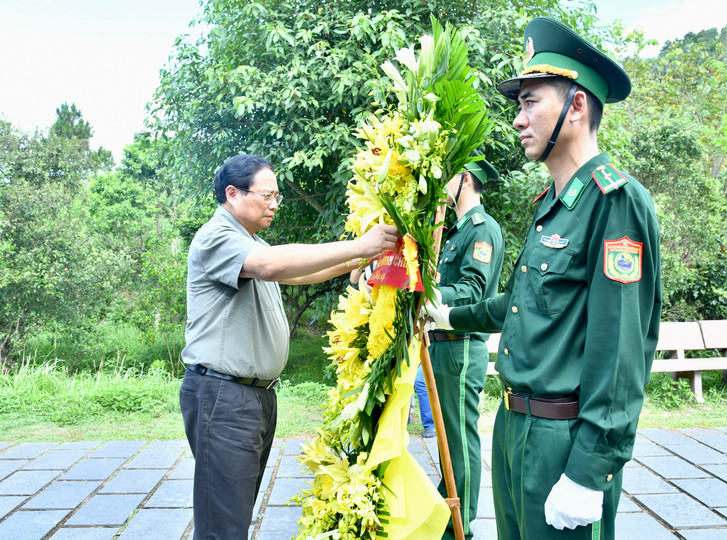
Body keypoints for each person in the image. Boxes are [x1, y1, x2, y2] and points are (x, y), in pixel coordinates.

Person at [428, 17, 662, 540]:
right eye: (519, 104)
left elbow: (622, 347)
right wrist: (447, 313)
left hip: (565, 438)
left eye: (531, 101)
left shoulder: (614, 202)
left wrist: (589, 469)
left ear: (576, 106)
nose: (518, 118)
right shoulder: (551, 208)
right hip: (514, 428)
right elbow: (521, 304)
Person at [179, 154, 398, 540]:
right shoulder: (217, 237)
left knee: (235, 513)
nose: (275, 204)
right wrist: (358, 243)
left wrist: (363, 254)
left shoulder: (251, 242)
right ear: (232, 193)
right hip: (223, 396)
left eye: (278, 196)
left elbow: (304, 272)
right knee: (222, 526)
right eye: (267, 195)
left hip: (253, 398)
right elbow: (272, 266)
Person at [418, 155, 504, 540]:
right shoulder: (456, 231)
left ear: (464, 179)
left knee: (459, 438)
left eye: (447, 176)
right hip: (443, 343)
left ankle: (460, 526)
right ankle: (449, 504)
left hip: (461, 345)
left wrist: (423, 291)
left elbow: (472, 291)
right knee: (447, 437)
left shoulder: (481, 230)